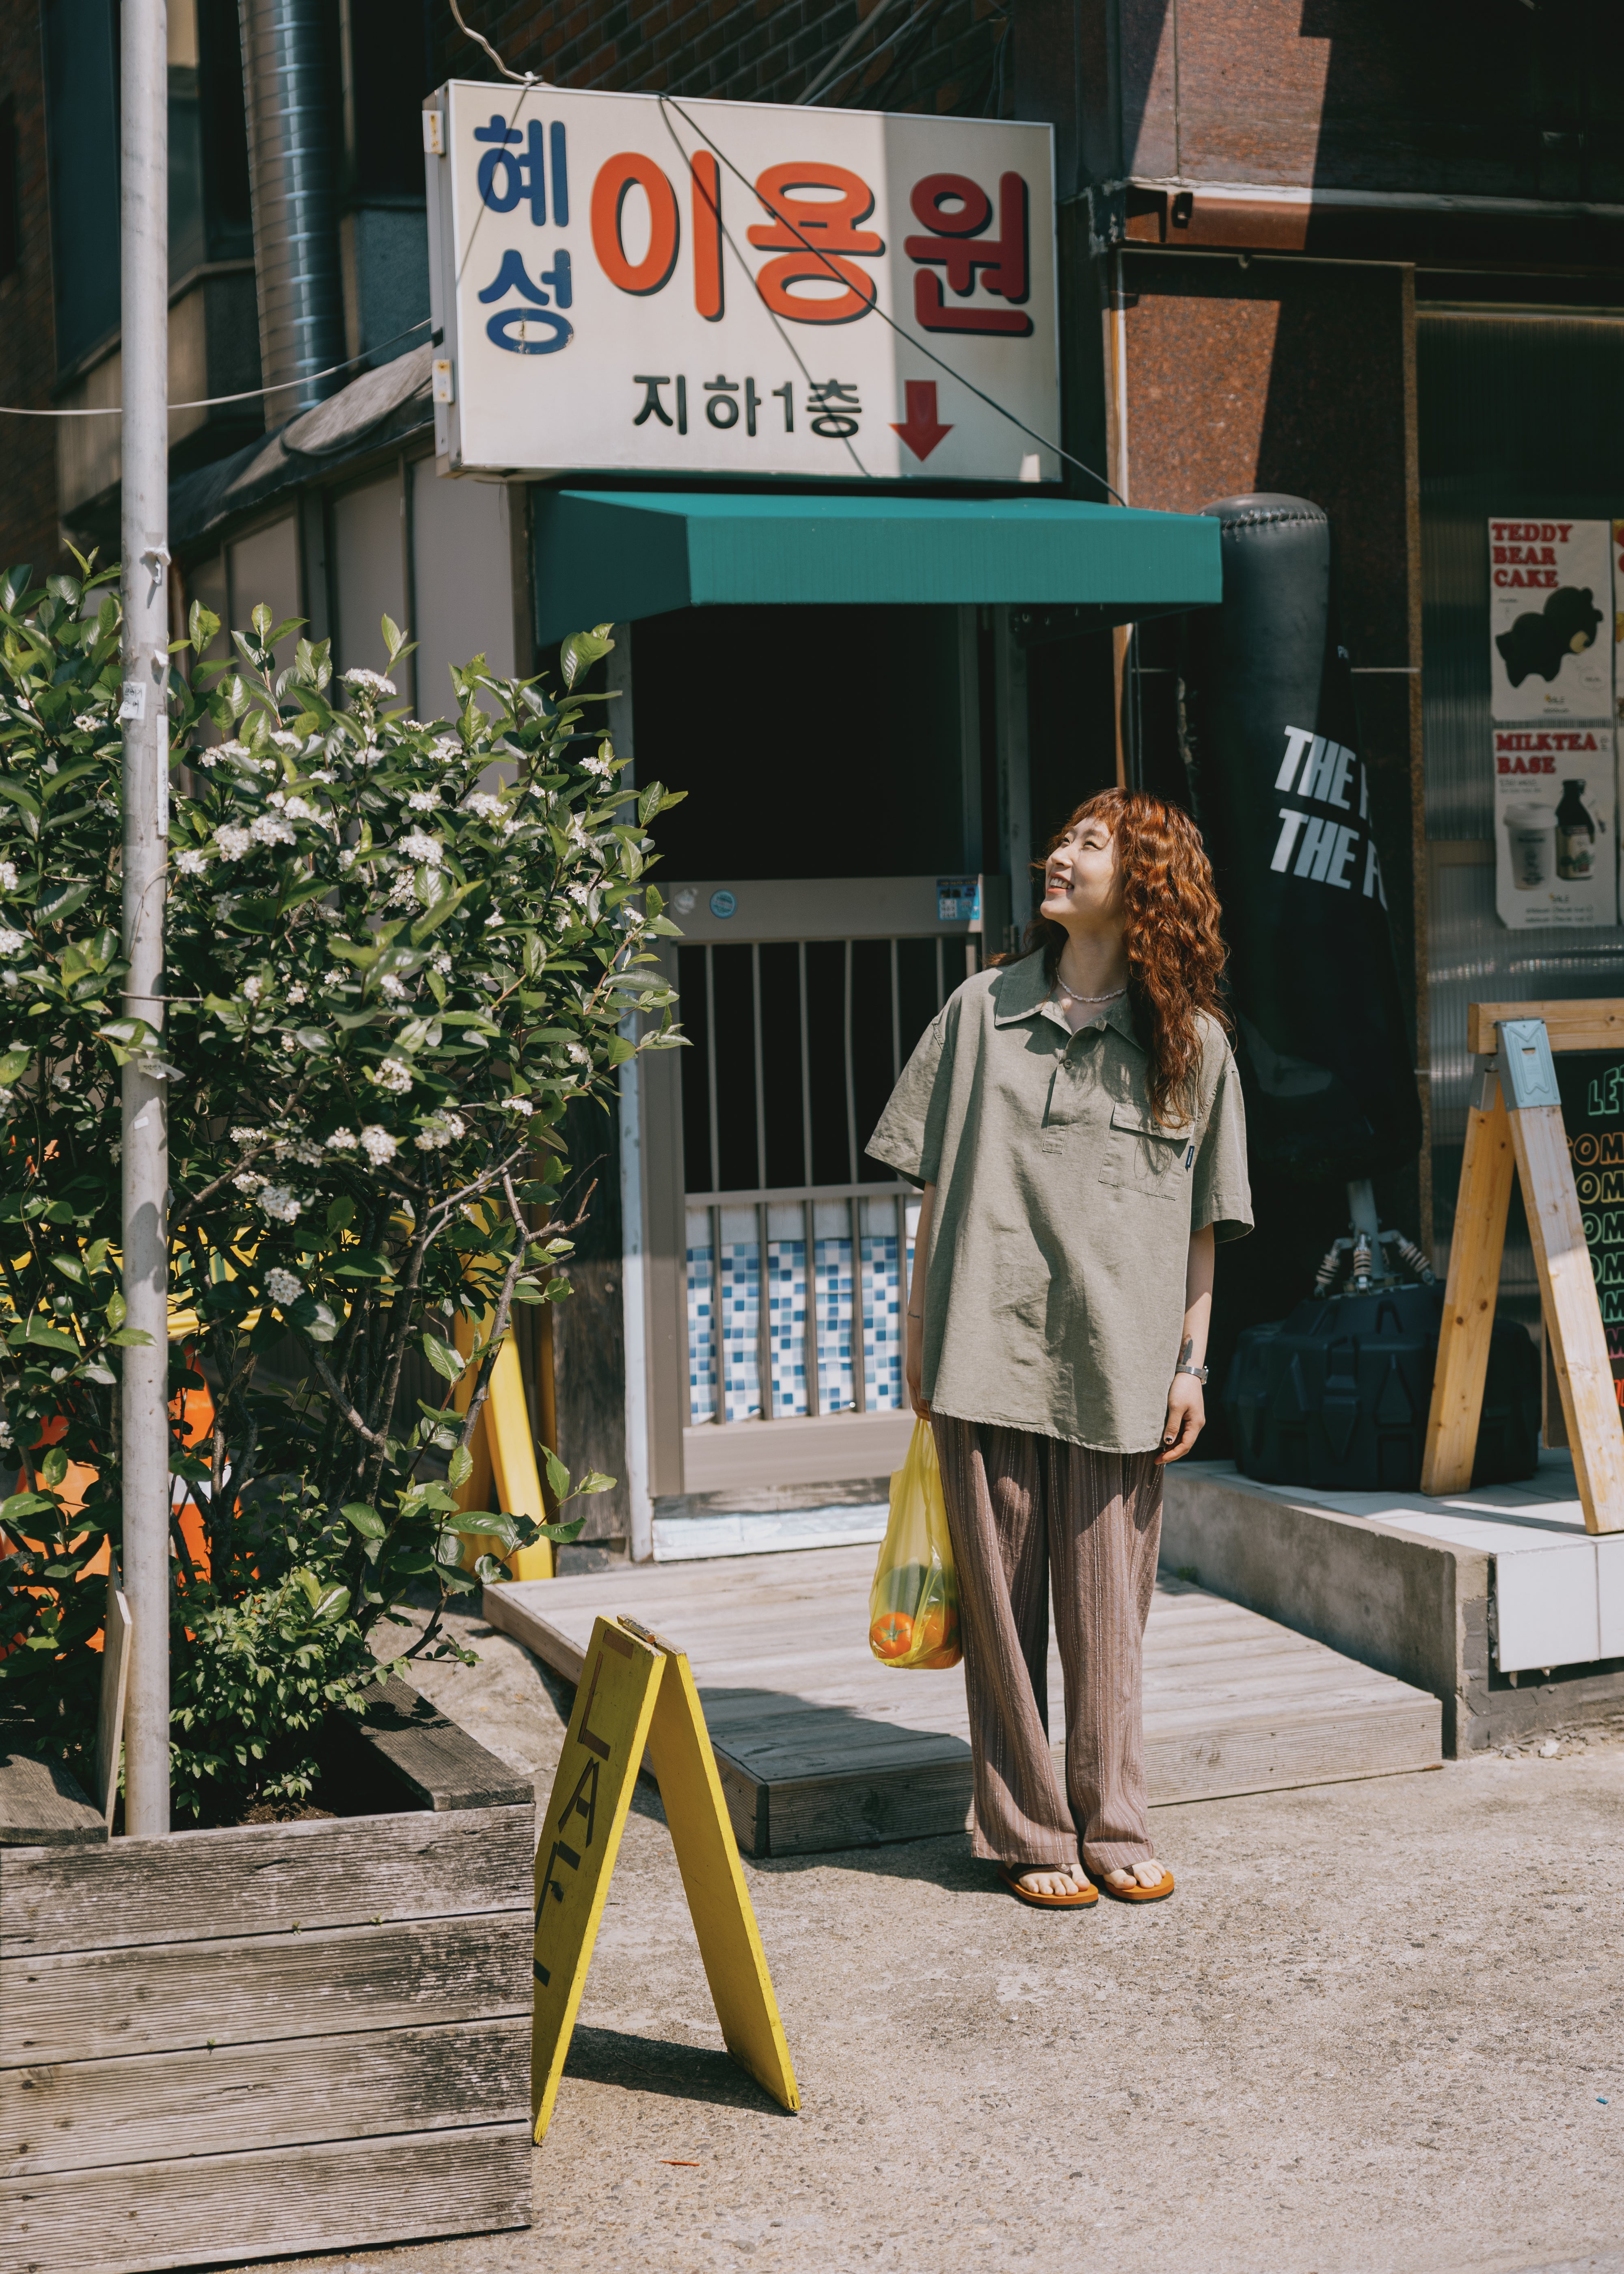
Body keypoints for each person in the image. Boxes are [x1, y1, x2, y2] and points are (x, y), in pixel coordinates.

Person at [866, 789, 1251, 1909]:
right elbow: (935, 1189)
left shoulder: (1197, 1046)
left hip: (1125, 1366)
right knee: (1000, 1615)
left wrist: (1192, 1364)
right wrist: (917, 1327)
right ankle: (1031, 1832)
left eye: (1090, 845)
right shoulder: (981, 1009)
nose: (1059, 855)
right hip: (986, 1343)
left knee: (1106, 1621)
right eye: (1067, 839)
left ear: (1147, 890)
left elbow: (1202, 1227)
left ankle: (1114, 1821)